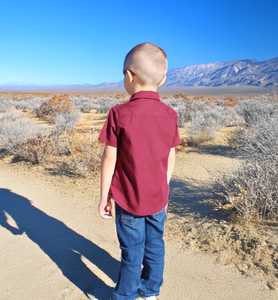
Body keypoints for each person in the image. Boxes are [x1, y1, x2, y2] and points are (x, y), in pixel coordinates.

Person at [98, 42, 180, 300]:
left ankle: (125, 296)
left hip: (128, 200)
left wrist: (104, 197)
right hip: (158, 199)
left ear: (129, 76)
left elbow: (109, 158)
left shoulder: (119, 113)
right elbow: (170, 155)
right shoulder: (169, 115)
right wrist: (165, 192)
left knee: (132, 252)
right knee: (155, 247)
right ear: (163, 79)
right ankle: (151, 291)